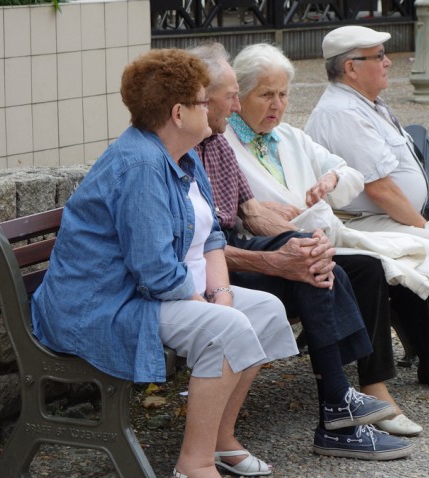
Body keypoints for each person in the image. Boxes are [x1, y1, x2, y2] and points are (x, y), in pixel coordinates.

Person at [192, 42, 429, 435]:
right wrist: (282, 227)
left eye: (283, 94)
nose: (276, 104)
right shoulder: (220, 142)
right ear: (237, 96)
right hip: (288, 246)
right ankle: (375, 388)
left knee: (405, 262)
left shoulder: (288, 136)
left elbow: (345, 173)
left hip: (319, 239)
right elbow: (238, 217)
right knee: (370, 268)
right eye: (265, 95)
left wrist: (329, 179)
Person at [29, 49, 301, 478]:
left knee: (263, 311)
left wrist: (222, 294)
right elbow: (154, 271)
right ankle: (194, 465)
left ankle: (221, 441)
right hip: (101, 307)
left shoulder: (186, 153)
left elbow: (211, 234)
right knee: (225, 328)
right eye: (201, 101)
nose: (210, 107)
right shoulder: (141, 166)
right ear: (178, 113)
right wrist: (210, 306)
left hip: (140, 294)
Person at [185, 43, 416, 462]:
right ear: (198, 100)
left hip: (227, 255)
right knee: (312, 269)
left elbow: (250, 211)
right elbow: (197, 248)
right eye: (232, 96)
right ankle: (337, 403)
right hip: (204, 272)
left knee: (317, 263)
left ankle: (339, 401)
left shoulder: (214, 141)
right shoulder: (177, 151)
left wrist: (305, 241)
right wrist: (281, 257)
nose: (237, 106)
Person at [303, 26, 429, 355]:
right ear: (351, 67)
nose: (389, 62)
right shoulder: (341, 113)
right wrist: (424, 224)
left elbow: (408, 166)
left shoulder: (368, 102)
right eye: (379, 56)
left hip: (386, 213)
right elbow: (381, 190)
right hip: (358, 221)